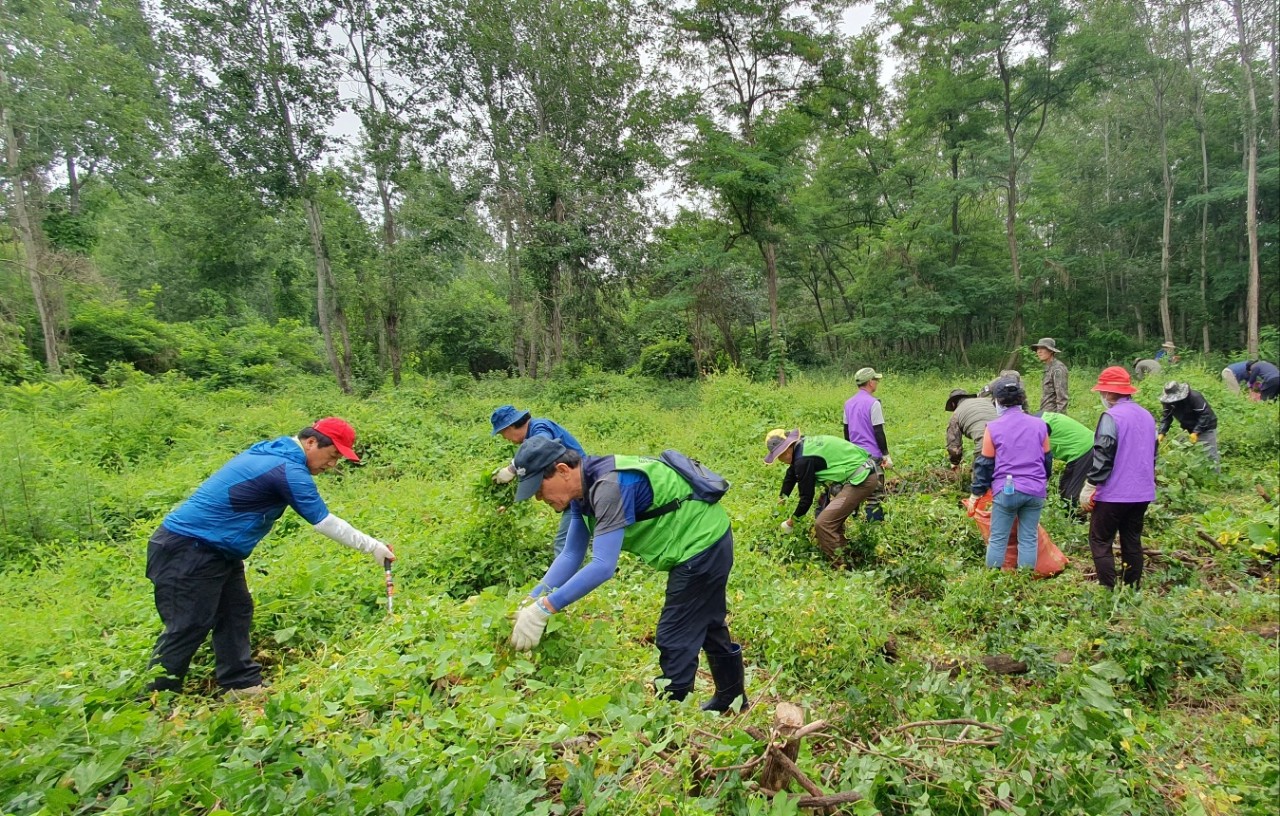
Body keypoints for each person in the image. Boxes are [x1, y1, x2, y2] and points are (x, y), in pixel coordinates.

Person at [145, 418, 394, 698]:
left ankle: (239, 684)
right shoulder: (286, 468)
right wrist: (372, 546)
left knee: (235, 611)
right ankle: (156, 698)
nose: (332, 465)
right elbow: (323, 521)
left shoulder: (273, 453)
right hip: (188, 549)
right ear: (311, 442)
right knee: (189, 624)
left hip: (216, 551)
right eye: (333, 455)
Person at [507, 437, 746, 712]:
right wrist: (533, 598)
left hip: (702, 544)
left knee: (674, 635)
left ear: (562, 470)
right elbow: (571, 555)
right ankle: (732, 700)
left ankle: (669, 718)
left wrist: (545, 609)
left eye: (539, 488)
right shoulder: (581, 492)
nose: (539, 497)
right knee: (708, 623)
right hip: (707, 537)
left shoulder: (608, 487)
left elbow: (602, 566)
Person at [1079, 368, 1157, 590]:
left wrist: (1090, 485)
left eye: (1103, 391)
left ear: (1108, 392)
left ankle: (1108, 589)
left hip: (1114, 492)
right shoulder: (1147, 415)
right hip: (1142, 492)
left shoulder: (1111, 417)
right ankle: (1132, 588)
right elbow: (1153, 453)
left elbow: (1104, 454)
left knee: (1100, 540)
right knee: (1132, 540)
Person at [965, 380, 1051, 570]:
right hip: (1035, 489)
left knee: (998, 539)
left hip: (1007, 490)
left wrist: (976, 493)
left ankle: (994, 581)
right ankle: (1025, 581)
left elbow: (985, 463)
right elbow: (1047, 459)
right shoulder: (1040, 425)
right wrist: (1041, 482)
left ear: (997, 401)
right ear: (1021, 400)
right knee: (1028, 537)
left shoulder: (993, 428)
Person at [765, 429, 880, 568]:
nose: (782, 458)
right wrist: (782, 497)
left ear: (789, 447)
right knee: (830, 517)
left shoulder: (803, 459)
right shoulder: (803, 446)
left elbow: (806, 499)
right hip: (861, 471)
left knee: (823, 524)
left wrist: (791, 522)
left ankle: (843, 569)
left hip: (861, 479)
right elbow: (792, 472)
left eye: (782, 453)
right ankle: (848, 555)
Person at [490, 405, 586, 556]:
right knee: (575, 537)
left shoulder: (540, 427)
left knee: (565, 544)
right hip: (572, 488)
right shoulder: (530, 437)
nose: (505, 439)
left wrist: (512, 468)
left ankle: (564, 578)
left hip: (579, 487)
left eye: (503, 433)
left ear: (511, 426)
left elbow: (542, 444)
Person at [842, 366, 890, 521]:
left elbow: (846, 432)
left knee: (855, 492)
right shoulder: (873, 403)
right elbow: (878, 431)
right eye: (876, 380)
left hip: (855, 456)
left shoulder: (848, 404)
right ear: (870, 382)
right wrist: (886, 455)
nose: (877, 383)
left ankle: (854, 523)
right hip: (872, 457)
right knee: (875, 497)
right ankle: (874, 529)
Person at [1037, 410, 1095, 514]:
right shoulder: (1042, 418)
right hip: (1087, 445)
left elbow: (1045, 459)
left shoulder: (1038, 427)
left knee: (1069, 496)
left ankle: (1078, 522)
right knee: (1064, 489)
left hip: (1083, 450)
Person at [1158, 382, 1220, 467]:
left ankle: (1214, 476)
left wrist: (1196, 432)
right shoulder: (1168, 402)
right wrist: (1162, 432)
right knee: (1183, 452)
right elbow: (1166, 417)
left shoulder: (1194, 397)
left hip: (1206, 427)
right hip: (1187, 428)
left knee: (1210, 455)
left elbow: (1205, 415)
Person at [944, 388, 997, 472]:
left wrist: (955, 462)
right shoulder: (988, 401)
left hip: (985, 446)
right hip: (1010, 442)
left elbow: (954, 447)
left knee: (980, 481)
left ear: (953, 404)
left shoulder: (956, 414)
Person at [1031, 337, 1069, 413]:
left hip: (1053, 415)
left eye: (1042, 348)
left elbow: (1062, 398)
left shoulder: (1058, 369)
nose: (1039, 351)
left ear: (1051, 351)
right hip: (1045, 412)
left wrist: (1059, 418)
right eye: (1038, 349)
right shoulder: (1048, 367)